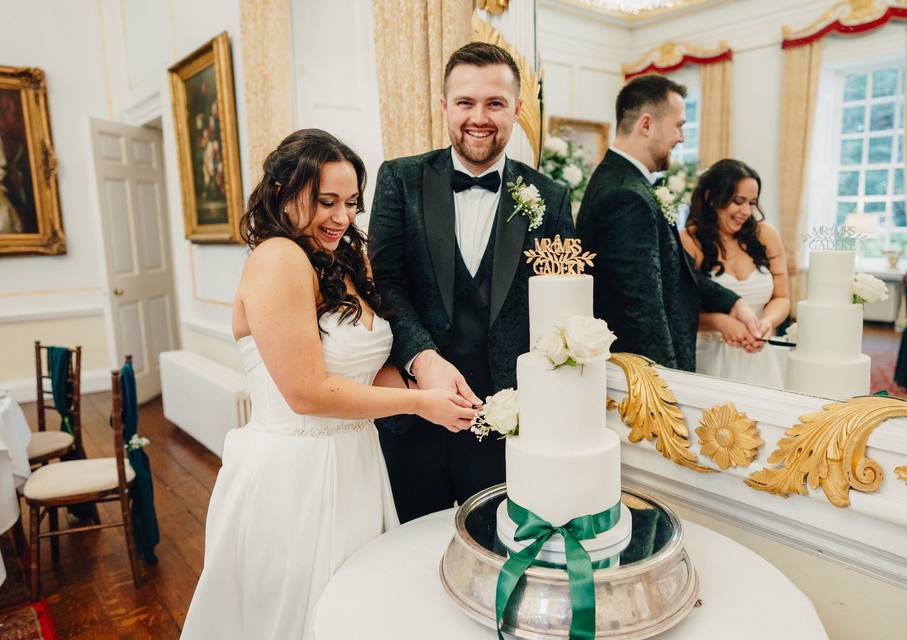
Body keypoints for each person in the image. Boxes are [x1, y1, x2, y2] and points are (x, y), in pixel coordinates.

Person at [181, 129, 477, 640]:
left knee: (354, 612)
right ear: (282, 191)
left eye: (351, 204)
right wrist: (420, 404)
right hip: (295, 475)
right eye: (326, 202)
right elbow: (308, 392)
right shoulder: (277, 258)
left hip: (356, 463)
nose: (342, 218)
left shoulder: (345, 263)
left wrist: (430, 385)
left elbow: (364, 368)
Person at [369, 42, 575, 523]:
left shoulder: (551, 197)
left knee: (501, 548)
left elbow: (561, 309)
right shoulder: (400, 179)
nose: (479, 117)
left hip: (508, 421)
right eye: (465, 102)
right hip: (414, 414)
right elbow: (385, 284)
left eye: (495, 103)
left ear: (517, 110)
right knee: (411, 553)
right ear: (444, 107)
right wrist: (422, 356)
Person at [576, 74, 761, 372]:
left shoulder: (628, 183)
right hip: (646, 374)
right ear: (646, 124)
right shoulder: (625, 195)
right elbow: (641, 309)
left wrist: (733, 302)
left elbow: (678, 271)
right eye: (679, 126)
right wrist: (668, 386)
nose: (681, 138)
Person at [680, 159, 790, 387]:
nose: (746, 211)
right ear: (711, 197)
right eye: (738, 201)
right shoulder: (689, 241)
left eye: (752, 202)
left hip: (759, 356)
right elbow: (678, 309)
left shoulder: (766, 235)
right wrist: (719, 322)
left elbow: (782, 298)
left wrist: (767, 323)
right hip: (709, 358)